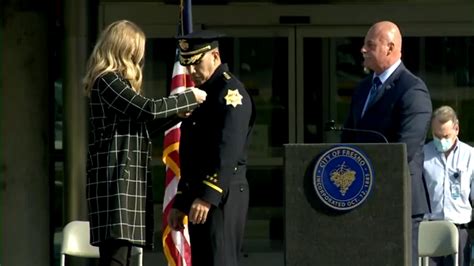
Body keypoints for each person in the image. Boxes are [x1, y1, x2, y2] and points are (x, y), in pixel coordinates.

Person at [84, 20, 207, 266]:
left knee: (124, 255)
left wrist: (175, 115)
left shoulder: (117, 83)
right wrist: (186, 98)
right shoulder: (107, 81)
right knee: (116, 256)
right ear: (124, 48)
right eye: (137, 49)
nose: (139, 56)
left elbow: (143, 127)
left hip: (124, 180)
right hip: (115, 181)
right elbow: (148, 110)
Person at [340, 21, 432, 265]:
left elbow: (405, 150)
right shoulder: (362, 89)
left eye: (370, 45)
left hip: (398, 202)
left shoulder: (412, 90)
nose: (362, 50)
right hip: (361, 200)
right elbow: (349, 138)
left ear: (390, 48)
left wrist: (367, 176)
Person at [167, 30, 256, 266]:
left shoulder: (230, 94)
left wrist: (208, 196)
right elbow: (191, 153)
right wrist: (182, 200)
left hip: (221, 195)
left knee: (220, 260)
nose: (191, 71)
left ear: (215, 56)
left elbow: (227, 151)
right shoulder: (203, 94)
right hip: (201, 195)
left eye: (196, 63)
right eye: (187, 65)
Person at [423, 106, 474, 266]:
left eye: (445, 135)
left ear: (456, 129)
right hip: (429, 228)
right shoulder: (423, 154)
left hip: (459, 228)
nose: (441, 140)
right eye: (436, 135)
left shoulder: (470, 155)